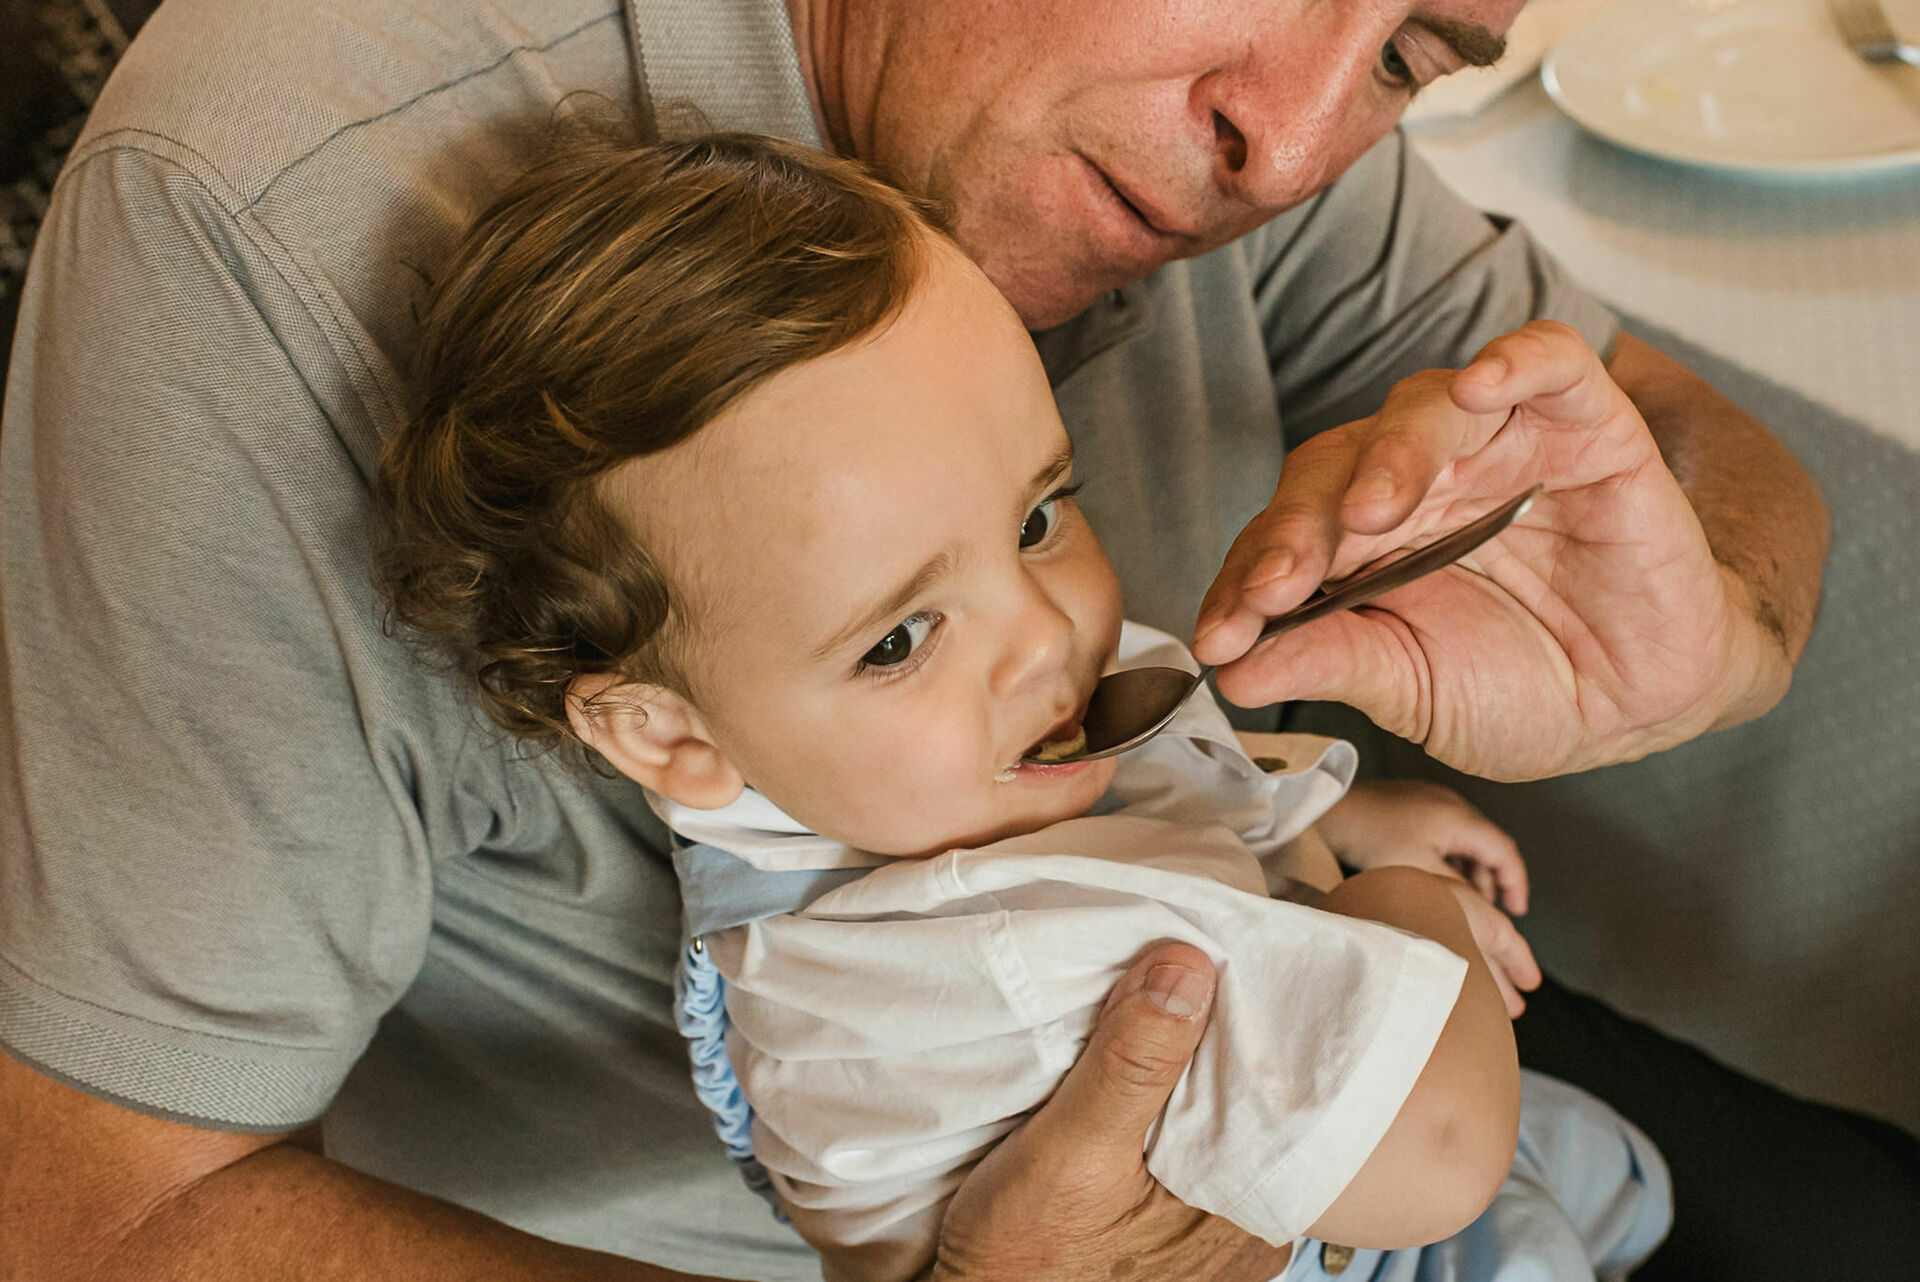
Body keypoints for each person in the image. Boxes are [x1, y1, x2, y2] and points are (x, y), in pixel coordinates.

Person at [4, 0, 1908, 1279]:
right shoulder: (256, 225)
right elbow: (85, 1205)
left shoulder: (1230, 99)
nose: (1297, 145)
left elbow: (1669, 421)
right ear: (657, 725)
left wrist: (1713, 637)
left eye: (1414, 49)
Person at [371, 126, 1672, 1282]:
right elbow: (1435, 1147)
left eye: (1042, 514)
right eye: (900, 637)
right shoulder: (978, 964)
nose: (1045, 632)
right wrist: (1411, 913)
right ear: (669, 735)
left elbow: (1140, 841)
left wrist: (1342, 829)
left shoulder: (869, 778)